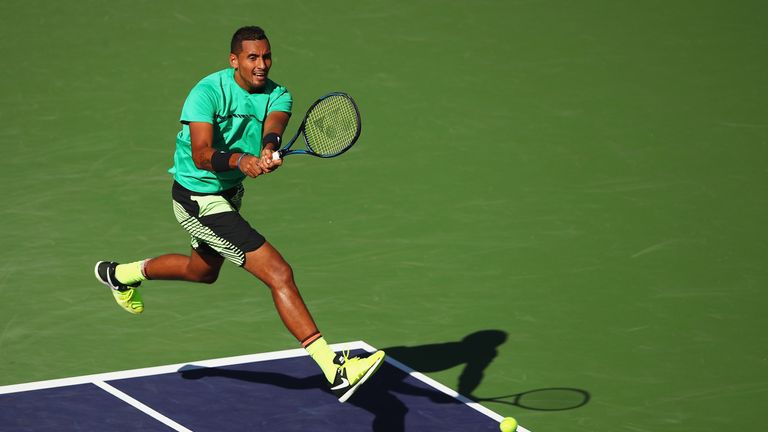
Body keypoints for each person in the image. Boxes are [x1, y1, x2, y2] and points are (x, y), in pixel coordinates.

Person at [94, 25, 384, 403]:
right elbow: (201, 153)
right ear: (234, 60)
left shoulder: (278, 94)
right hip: (198, 198)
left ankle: (120, 275)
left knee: (202, 272)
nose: (261, 64)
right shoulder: (206, 93)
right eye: (252, 58)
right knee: (279, 272)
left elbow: (274, 127)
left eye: (266, 57)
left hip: (229, 194)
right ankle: (334, 368)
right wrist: (240, 159)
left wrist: (268, 148)